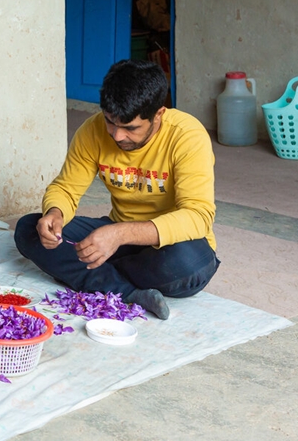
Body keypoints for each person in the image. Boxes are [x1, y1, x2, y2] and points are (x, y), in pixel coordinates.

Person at [14, 60, 220, 320]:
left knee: (190, 265)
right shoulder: (93, 130)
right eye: (111, 122)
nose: (117, 136)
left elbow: (198, 216)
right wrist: (55, 213)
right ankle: (128, 292)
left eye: (130, 128)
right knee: (28, 230)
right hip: (118, 239)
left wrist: (118, 234)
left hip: (168, 248)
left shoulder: (187, 136)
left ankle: (99, 275)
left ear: (158, 115)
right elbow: (66, 188)